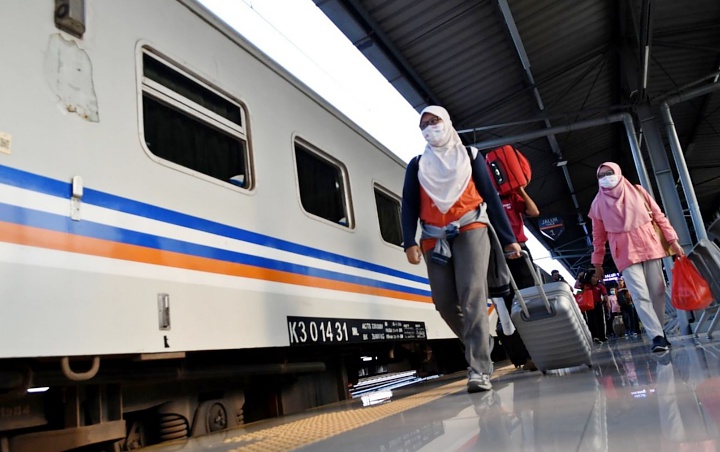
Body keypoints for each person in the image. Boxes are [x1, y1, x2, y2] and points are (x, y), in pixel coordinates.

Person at [401, 105, 521, 393]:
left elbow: (491, 197)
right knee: (443, 302)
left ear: (448, 122)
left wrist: (508, 238)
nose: (430, 127)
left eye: (435, 120)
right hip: (433, 237)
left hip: (471, 228)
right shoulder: (417, 165)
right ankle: (480, 342)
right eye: (424, 124)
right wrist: (409, 241)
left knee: (471, 296)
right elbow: (409, 205)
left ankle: (479, 368)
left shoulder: (470, 156)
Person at [588, 162, 685, 353]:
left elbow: (659, 216)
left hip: (649, 244)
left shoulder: (638, 191)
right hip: (623, 252)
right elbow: (598, 237)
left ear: (618, 172)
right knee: (640, 295)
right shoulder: (597, 204)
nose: (606, 177)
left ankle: (659, 329)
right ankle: (656, 336)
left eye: (609, 173)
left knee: (658, 290)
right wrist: (597, 262)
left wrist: (673, 240)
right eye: (601, 176)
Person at [495, 185, 540, 371]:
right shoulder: (481, 198)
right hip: (497, 253)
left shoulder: (511, 196)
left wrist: (520, 189)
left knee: (528, 301)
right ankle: (523, 356)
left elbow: (533, 211)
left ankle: (536, 352)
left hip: (520, 250)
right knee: (506, 306)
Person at [580, 268, 609, 343]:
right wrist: (579, 276)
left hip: (598, 305)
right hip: (589, 306)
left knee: (601, 320)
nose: (596, 278)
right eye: (594, 276)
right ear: (590, 277)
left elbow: (605, 295)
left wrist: (608, 303)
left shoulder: (600, 286)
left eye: (596, 277)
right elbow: (576, 286)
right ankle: (595, 336)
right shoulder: (586, 285)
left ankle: (602, 336)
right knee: (592, 321)